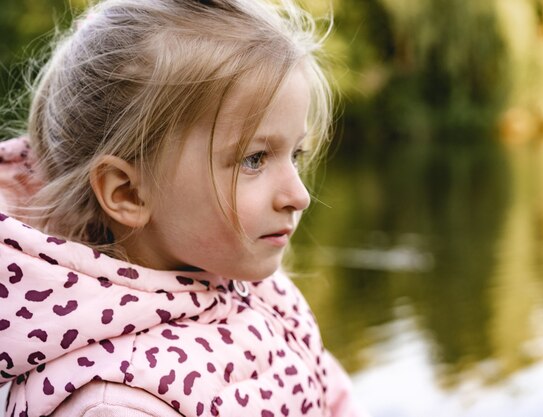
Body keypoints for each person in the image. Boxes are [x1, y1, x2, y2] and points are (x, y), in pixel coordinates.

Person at [0, 0, 369, 416]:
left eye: (296, 155)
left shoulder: (255, 288)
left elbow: (332, 398)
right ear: (128, 194)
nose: (298, 195)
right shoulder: (117, 400)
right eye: (254, 159)